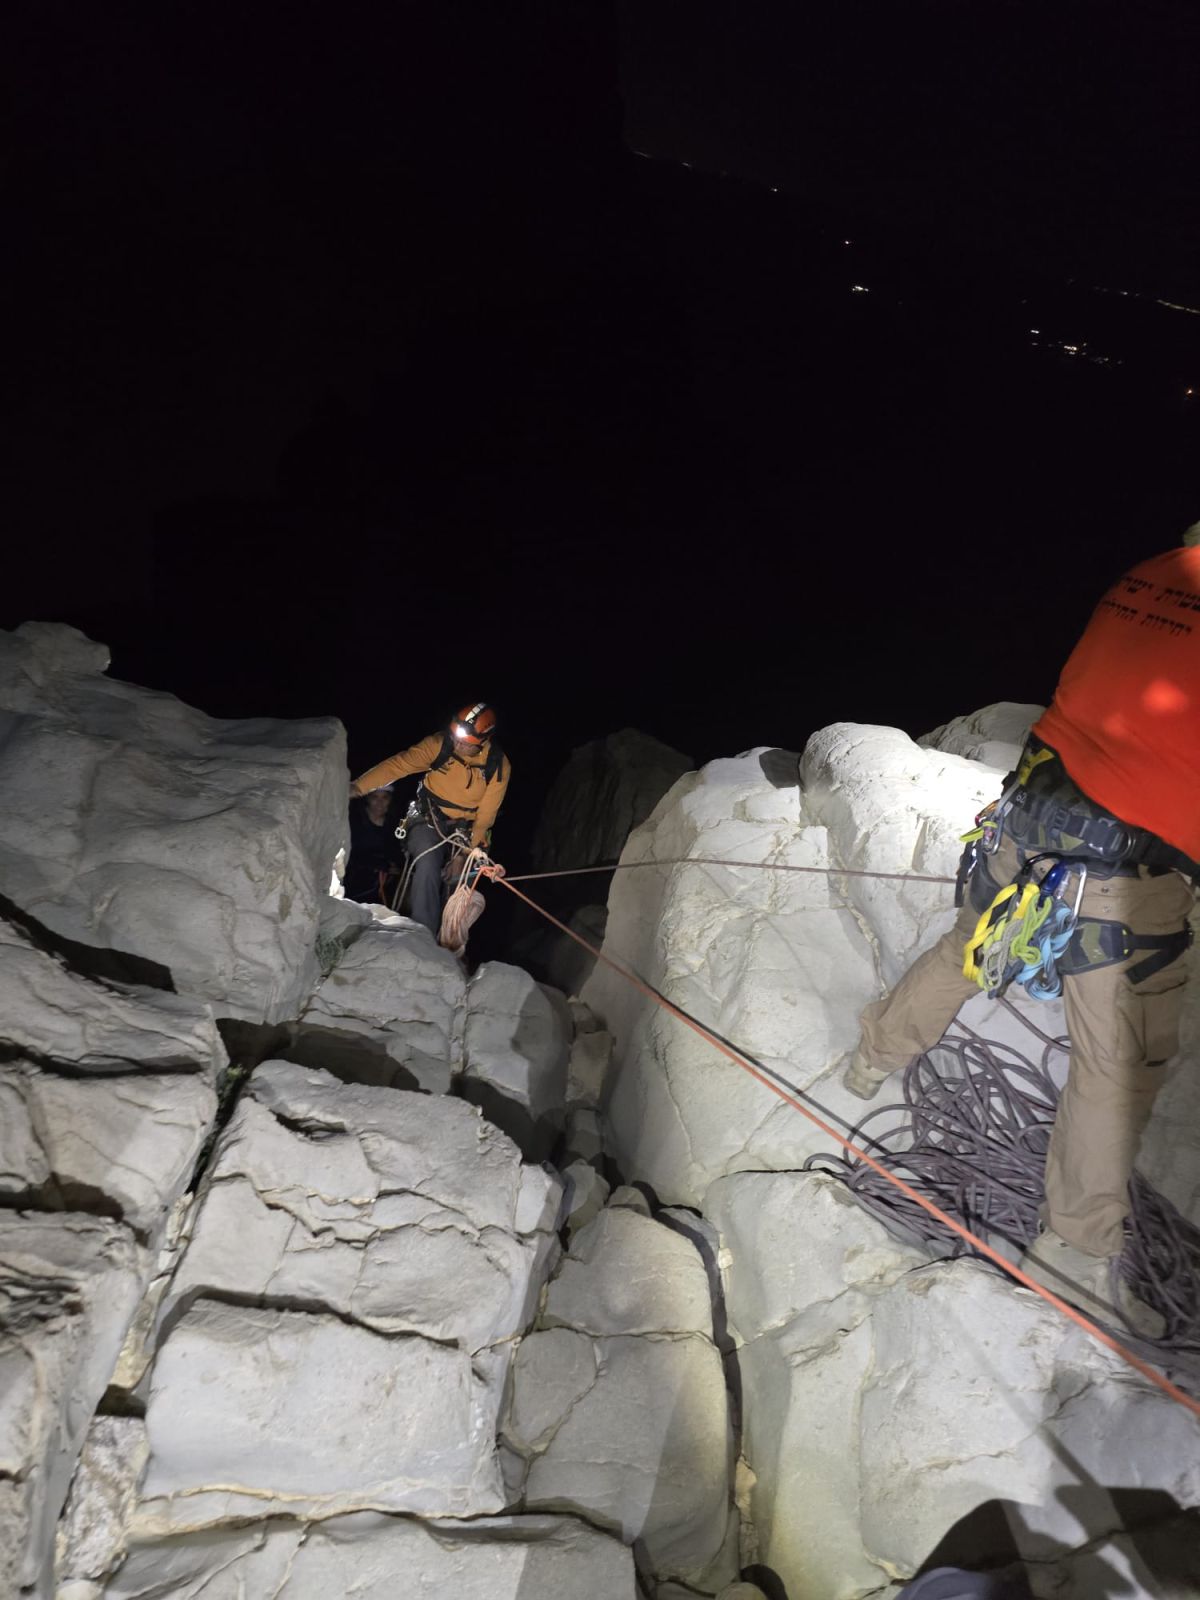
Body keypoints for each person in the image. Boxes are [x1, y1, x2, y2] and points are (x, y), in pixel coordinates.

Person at [842, 525, 1200, 1338]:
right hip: (1121, 866)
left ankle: (871, 1057)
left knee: (970, 945)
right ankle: (1072, 1253)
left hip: (1027, 817)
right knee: (1118, 1061)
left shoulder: (1147, 571)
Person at [349, 702, 510, 939]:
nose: (457, 744)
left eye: (465, 742)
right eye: (456, 737)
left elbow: (485, 816)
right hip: (428, 817)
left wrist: (464, 854)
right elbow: (399, 765)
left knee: (461, 878)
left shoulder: (497, 766)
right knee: (426, 860)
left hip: (468, 828)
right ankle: (423, 935)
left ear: (483, 740)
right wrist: (359, 787)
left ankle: (451, 939)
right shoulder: (439, 746)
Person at [343, 787, 404, 904]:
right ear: (367, 799)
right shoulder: (354, 820)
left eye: (385, 798)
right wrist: (378, 864)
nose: (379, 803)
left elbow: (396, 850)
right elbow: (350, 854)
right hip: (354, 883)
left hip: (383, 885)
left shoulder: (394, 823)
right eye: (375, 797)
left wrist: (395, 866)